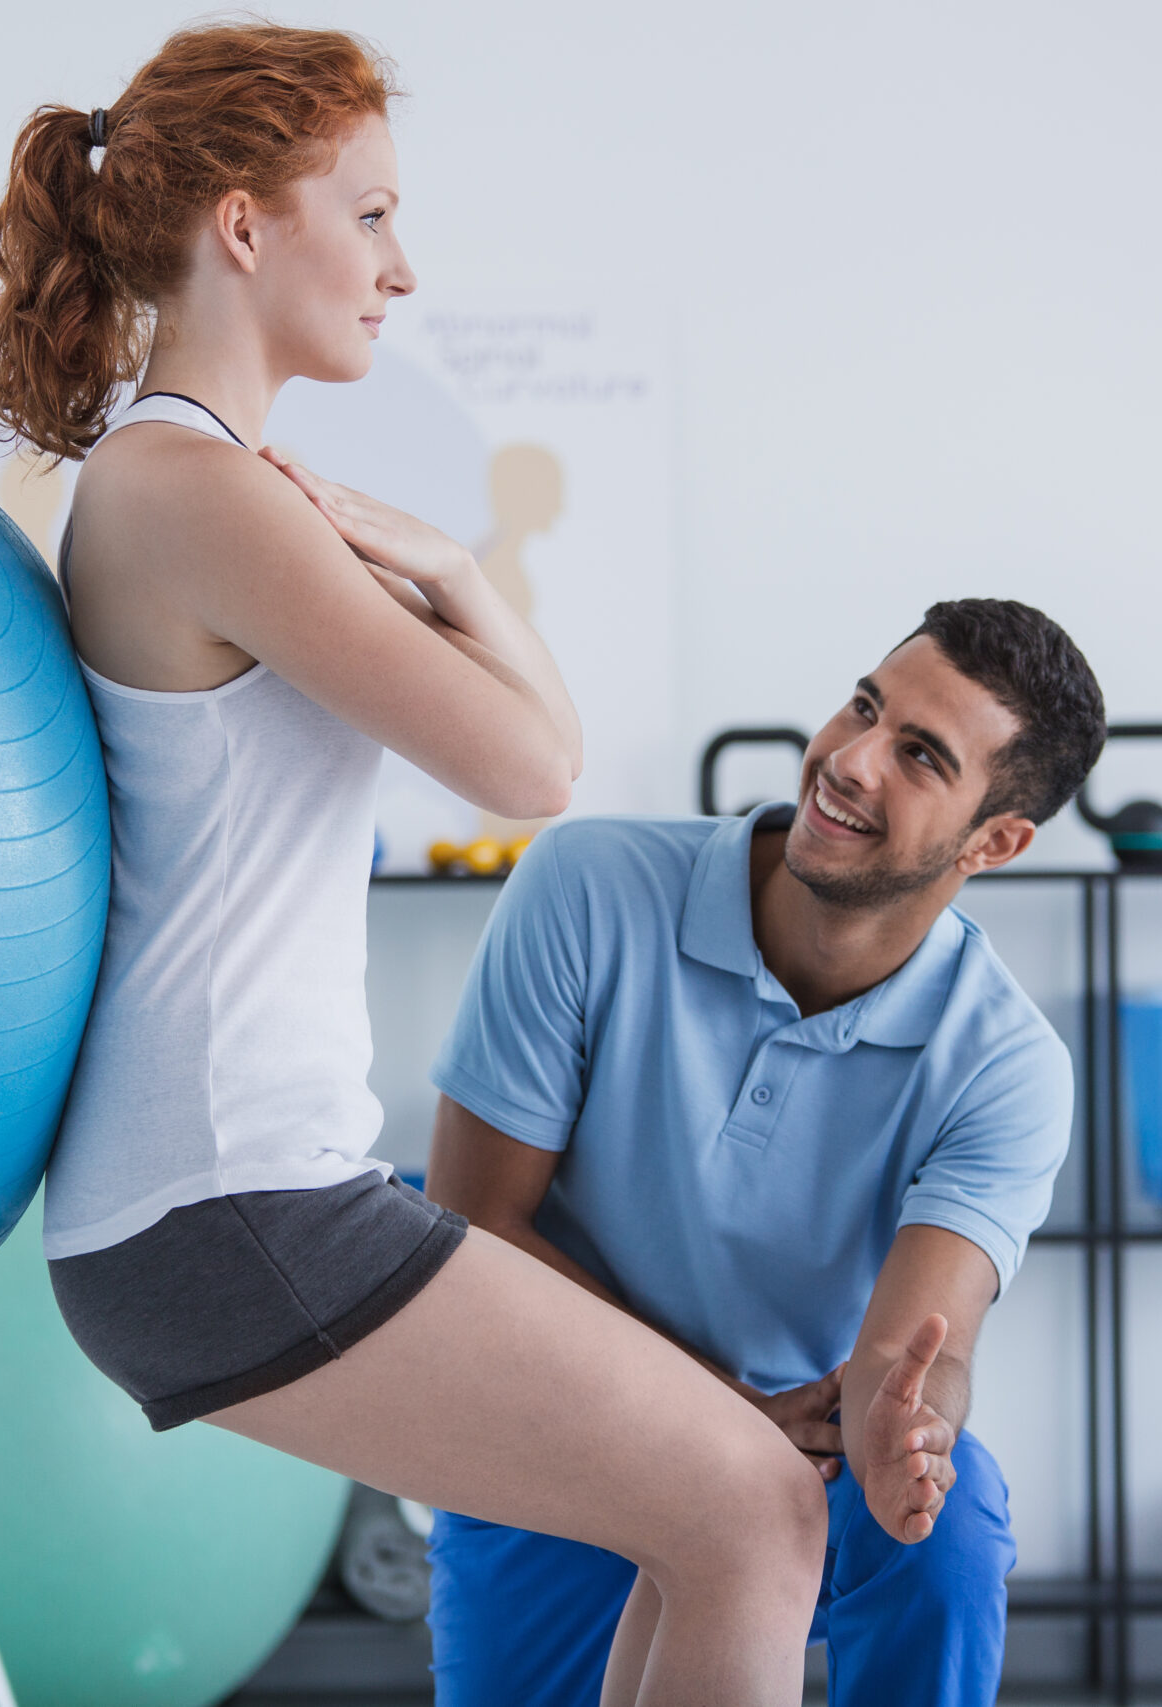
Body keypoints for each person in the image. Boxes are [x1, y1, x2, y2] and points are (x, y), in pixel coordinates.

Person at [0, 26, 835, 1705]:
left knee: (724, 1511)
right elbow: (534, 764)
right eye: (366, 215)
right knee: (754, 1505)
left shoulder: (194, 481)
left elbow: (536, 756)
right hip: (227, 1199)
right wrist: (449, 571)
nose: (401, 267)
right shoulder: (186, 486)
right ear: (244, 223)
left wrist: (441, 556)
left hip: (221, 1190)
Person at [424, 600, 1108, 1707]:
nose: (848, 760)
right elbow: (472, 1227)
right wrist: (715, 1413)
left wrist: (908, 1430)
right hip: (553, 1421)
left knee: (949, 1522)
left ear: (994, 842)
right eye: (864, 706)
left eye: (919, 756)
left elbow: (915, 1349)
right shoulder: (586, 888)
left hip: (804, 1454)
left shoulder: (1007, 1065)